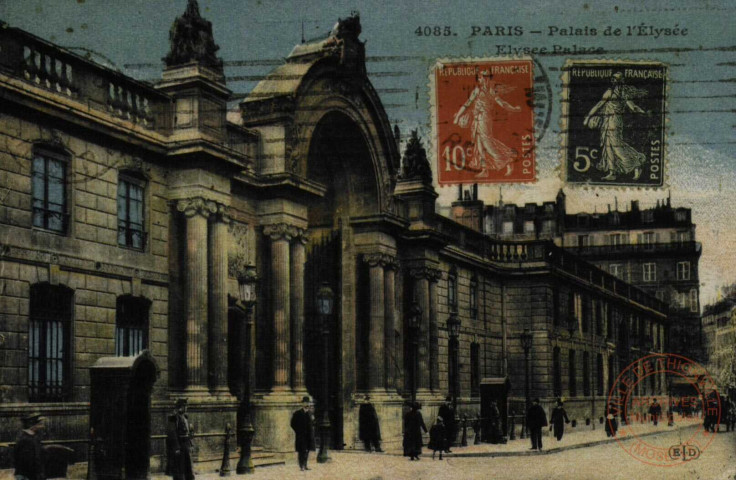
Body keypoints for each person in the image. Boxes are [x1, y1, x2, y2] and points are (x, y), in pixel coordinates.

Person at [452, 70, 521, 178]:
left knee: (487, 143)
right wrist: (457, 117)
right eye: (482, 77)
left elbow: (502, 103)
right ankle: (485, 170)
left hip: (485, 118)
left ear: (489, 78)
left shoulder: (492, 91)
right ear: (480, 79)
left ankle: (507, 160)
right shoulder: (477, 90)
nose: (484, 79)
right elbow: (466, 104)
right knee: (479, 145)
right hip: (476, 119)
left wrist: (514, 109)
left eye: (487, 77)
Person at [583, 71, 649, 181]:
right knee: (608, 145)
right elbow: (600, 105)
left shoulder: (621, 93)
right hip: (608, 120)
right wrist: (588, 117)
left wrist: (643, 112)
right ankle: (612, 172)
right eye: (613, 79)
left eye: (616, 79)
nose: (614, 81)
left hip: (614, 121)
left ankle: (637, 162)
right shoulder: (615, 92)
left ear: (620, 81)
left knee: (616, 145)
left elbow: (633, 107)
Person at [166, 398, 195, 480]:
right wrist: (176, 447)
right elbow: (172, 433)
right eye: (185, 406)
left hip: (186, 446)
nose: (186, 408)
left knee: (188, 468)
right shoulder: (174, 418)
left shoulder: (185, 417)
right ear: (180, 407)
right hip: (179, 446)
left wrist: (191, 444)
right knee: (179, 468)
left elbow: (188, 432)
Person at [14, 413, 45, 480]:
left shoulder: (34, 437)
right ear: (32, 426)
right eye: (39, 424)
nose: (42, 427)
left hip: (34, 474)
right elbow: (27, 462)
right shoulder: (25, 440)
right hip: (27, 475)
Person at [290, 396, 315, 471]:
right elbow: (292, 423)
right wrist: (298, 431)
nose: (306, 404)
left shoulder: (310, 413)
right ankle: (301, 466)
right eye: (305, 402)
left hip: (308, 435)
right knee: (301, 451)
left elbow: (312, 424)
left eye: (307, 402)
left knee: (307, 450)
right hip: (301, 435)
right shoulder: (297, 413)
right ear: (302, 403)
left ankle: (305, 465)